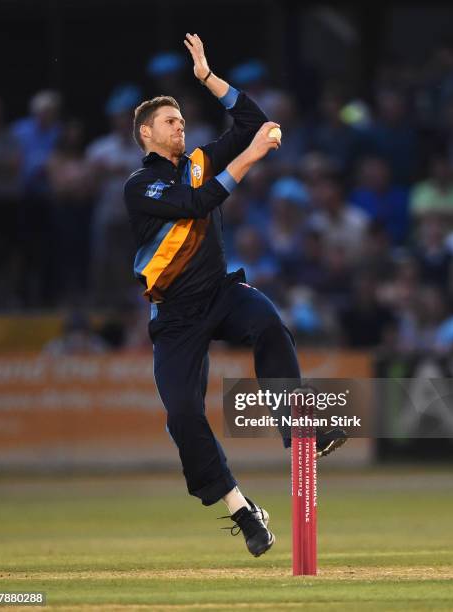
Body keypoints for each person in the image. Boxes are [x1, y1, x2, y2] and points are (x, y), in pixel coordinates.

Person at [124, 34, 346, 558]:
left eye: (182, 119)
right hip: (175, 316)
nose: (180, 126)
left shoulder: (200, 158)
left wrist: (209, 79)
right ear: (145, 134)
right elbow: (200, 201)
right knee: (181, 415)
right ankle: (243, 510)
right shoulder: (141, 185)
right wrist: (250, 157)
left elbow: (255, 122)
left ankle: (300, 431)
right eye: (169, 122)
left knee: (267, 321)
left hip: (221, 294)